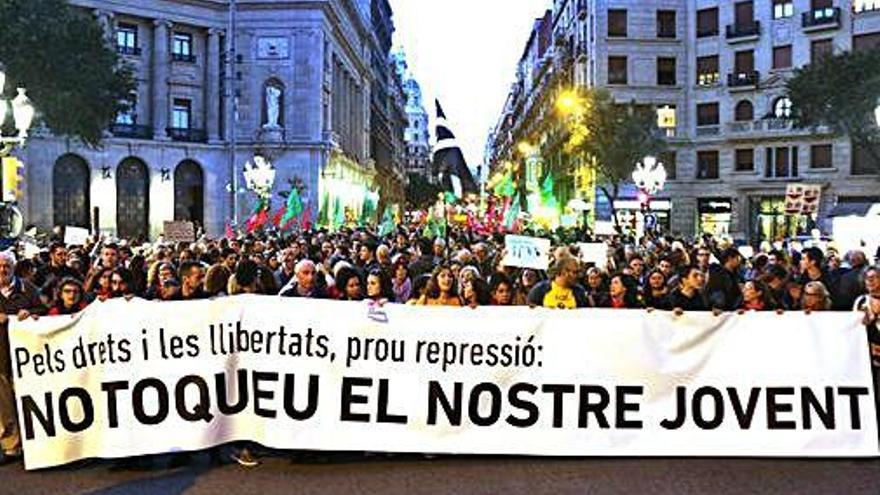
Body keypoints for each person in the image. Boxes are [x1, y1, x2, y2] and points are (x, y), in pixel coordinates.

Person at [0, 251, 43, 465]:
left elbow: (44, 310)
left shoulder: (28, 289)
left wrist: (31, 313)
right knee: (4, 404)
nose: (2, 269)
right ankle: (11, 446)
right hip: (0, 357)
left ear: (13, 267)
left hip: (26, 355)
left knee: (26, 397)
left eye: (6, 265)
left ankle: (32, 442)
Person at [853, 266, 880, 367]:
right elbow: (855, 330)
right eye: (867, 278)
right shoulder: (861, 301)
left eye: (874, 277)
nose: (870, 280)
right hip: (868, 358)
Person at [705, 247, 743, 312]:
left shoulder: (737, 275)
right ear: (730, 258)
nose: (739, 261)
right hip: (719, 310)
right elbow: (718, 293)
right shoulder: (717, 274)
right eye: (737, 258)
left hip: (732, 311)